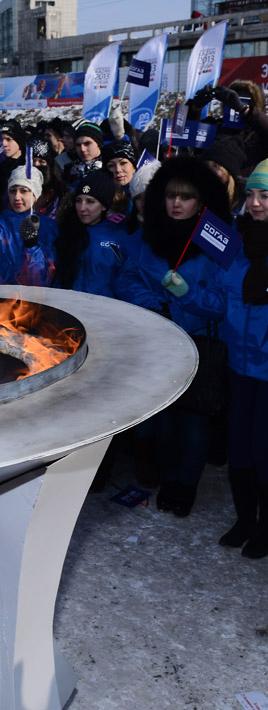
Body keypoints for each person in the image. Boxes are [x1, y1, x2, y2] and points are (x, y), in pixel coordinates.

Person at [161, 159, 268, 556]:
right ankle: (244, 520)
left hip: (267, 370)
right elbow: (221, 305)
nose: (256, 204)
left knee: (263, 451)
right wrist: (185, 291)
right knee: (240, 447)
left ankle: (264, 528)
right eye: (252, 195)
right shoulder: (237, 246)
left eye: (266, 196)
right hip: (238, 364)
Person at [116, 157, 231, 517]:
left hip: (199, 342)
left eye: (186, 196)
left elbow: (224, 304)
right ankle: (169, 479)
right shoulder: (146, 237)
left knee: (195, 423)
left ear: (201, 201)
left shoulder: (216, 243)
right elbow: (126, 279)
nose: (176, 203)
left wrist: (188, 295)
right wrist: (155, 303)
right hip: (160, 340)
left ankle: (187, 485)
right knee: (165, 421)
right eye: (170, 195)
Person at [0, 166, 56, 286]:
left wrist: (32, 248)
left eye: (24, 191)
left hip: (36, 301)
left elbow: (41, 280)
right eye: (13, 191)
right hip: (3, 300)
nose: (17, 197)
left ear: (36, 194)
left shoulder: (48, 227)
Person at [54, 169, 124, 297]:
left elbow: (124, 280)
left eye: (90, 201)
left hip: (106, 311)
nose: (82, 208)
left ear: (104, 206)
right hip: (69, 308)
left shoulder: (118, 236)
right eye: (79, 200)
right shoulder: (66, 231)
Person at [65, 121, 103, 185]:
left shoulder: (111, 166)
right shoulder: (69, 170)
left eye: (87, 144)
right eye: (78, 145)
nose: (82, 149)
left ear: (98, 144)